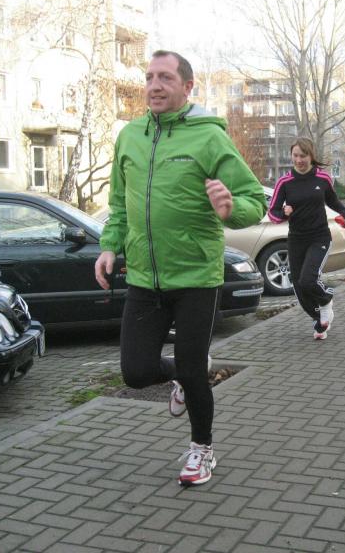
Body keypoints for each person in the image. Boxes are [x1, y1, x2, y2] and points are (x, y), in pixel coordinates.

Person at [94, 50, 266, 487]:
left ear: (187, 87)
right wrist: (110, 246)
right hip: (144, 278)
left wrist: (229, 209)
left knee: (194, 370)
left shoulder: (209, 138)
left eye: (165, 78)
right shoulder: (129, 136)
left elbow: (254, 200)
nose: (154, 85)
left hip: (196, 278)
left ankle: (202, 450)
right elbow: (118, 204)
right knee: (136, 373)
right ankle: (181, 379)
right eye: (150, 77)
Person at [267, 137, 345, 340]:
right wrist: (283, 213)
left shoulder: (322, 178)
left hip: (319, 237)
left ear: (311, 156)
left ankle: (326, 299)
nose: (298, 160)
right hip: (297, 240)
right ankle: (320, 320)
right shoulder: (285, 182)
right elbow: (272, 213)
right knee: (299, 287)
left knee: (308, 280)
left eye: (303, 156)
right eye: (295, 156)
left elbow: (334, 202)